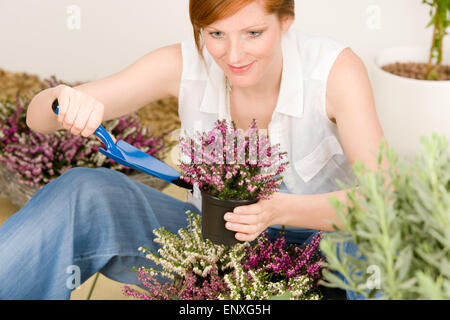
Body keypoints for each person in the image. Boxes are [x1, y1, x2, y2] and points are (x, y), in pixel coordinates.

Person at [0, 0, 387, 299]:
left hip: (327, 262)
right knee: (83, 192)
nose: (233, 56)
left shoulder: (334, 71)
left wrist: (277, 209)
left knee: (378, 236)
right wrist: (62, 101)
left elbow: (382, 198)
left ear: (285, 21)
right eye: (216, 34)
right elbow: (38, 119)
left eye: (253, 33)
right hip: (215, 254)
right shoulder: (181, 64)